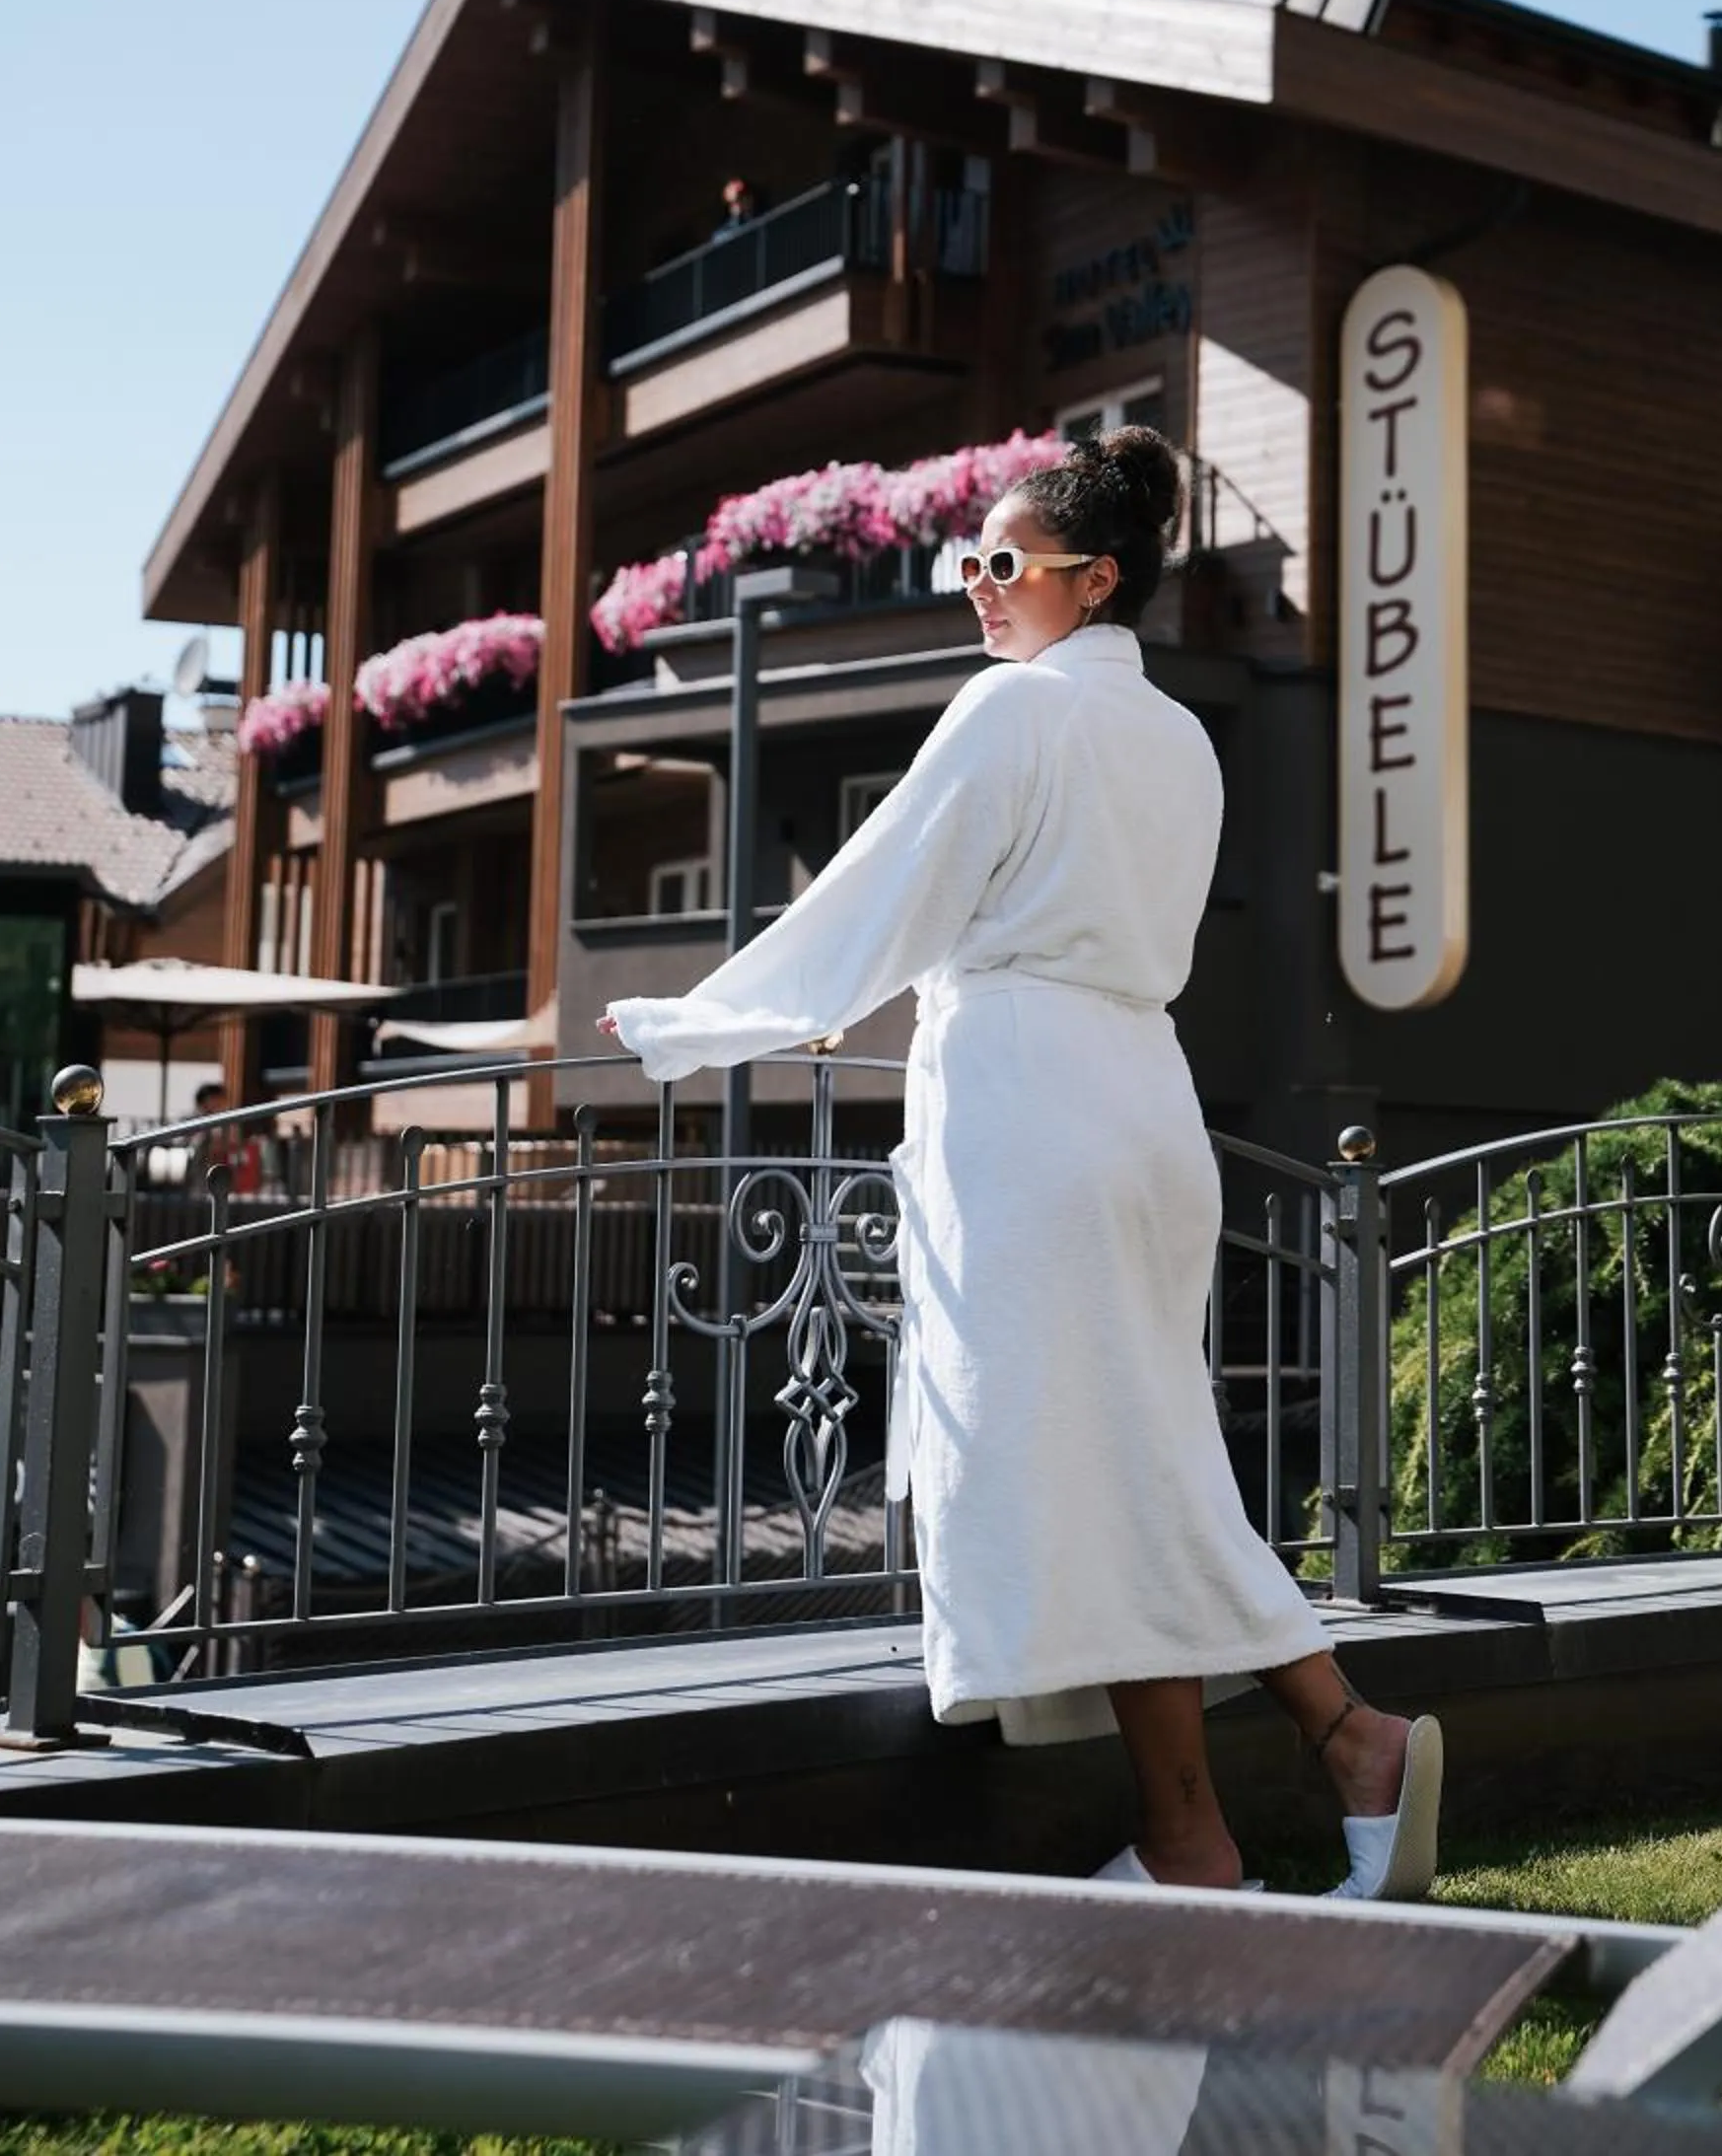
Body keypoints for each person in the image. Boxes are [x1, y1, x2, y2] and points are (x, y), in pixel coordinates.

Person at [601, 427, 1441, 1899]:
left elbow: (886, 892)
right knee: (1138, 1457)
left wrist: (697, 1024)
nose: (975, 588)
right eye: (966, 562)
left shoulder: (1014, 716)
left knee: (1079, 1470)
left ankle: (1250, 1802)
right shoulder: (1179, 735)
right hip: (1143, 1106)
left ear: (1093, 579)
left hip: (1031, 1115)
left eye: (1003, 564)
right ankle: (1276, 1782)